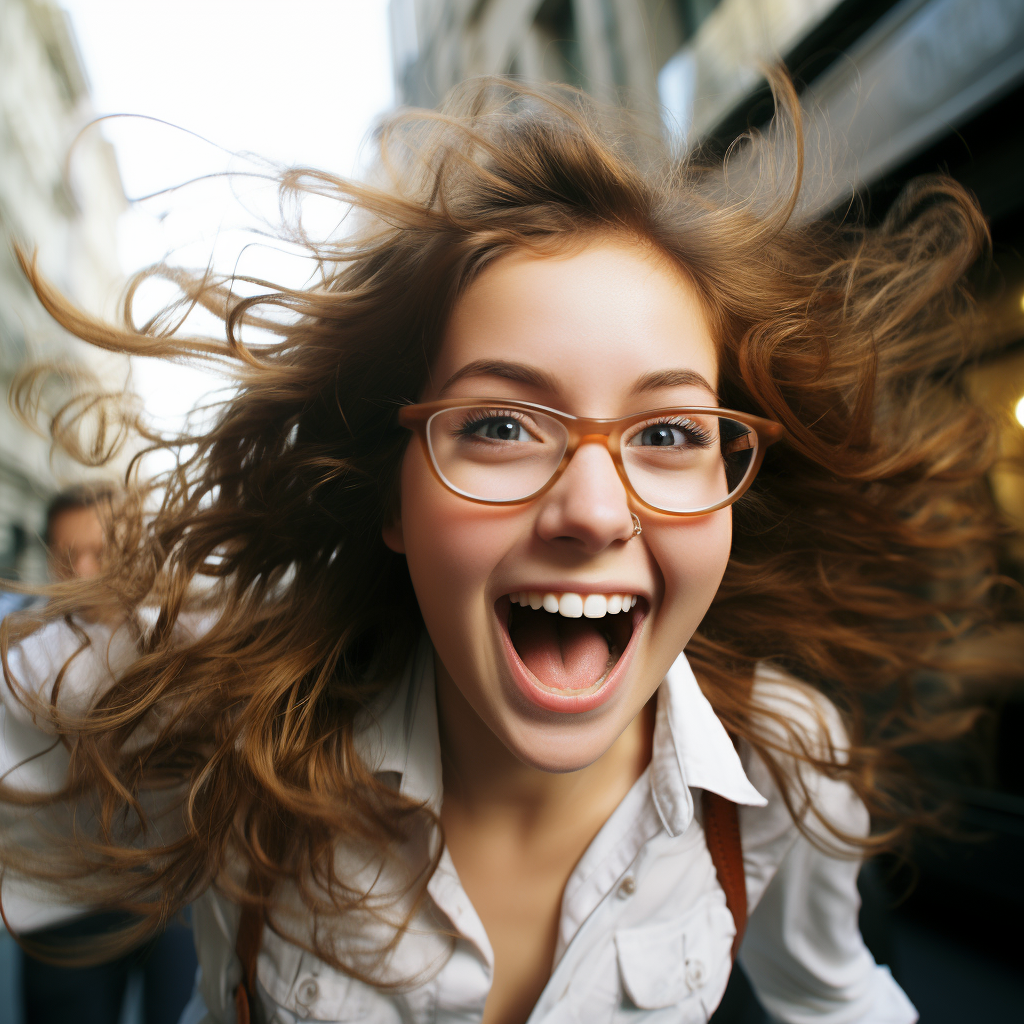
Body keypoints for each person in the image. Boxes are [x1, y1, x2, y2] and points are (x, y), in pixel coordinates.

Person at [0, 76, 1014, 1024]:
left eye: (666, 434)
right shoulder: (219, 703)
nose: (592, 512)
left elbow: (837, 995)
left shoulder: (782, 763)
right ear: (392, 497)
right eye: (498, 424)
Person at [8, 485, 198, 1024]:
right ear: (51, 560)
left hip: (171, 897)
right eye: (71, 557)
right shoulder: (19, 653)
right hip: (62, 905)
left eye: (105, 550)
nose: (89, 571)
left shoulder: (184, 638)